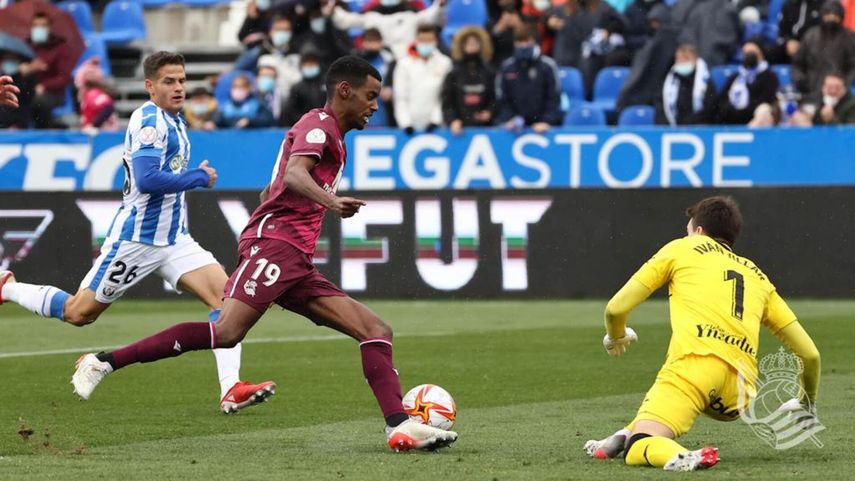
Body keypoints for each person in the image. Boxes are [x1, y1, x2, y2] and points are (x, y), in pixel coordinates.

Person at [69, 55, 459, 453]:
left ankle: (399, 426)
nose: (375, 105)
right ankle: (103, 362)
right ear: (345, 91)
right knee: (226, 332)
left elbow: (271, 189)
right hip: (275, 246)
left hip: (294, 257)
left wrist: (294, 209)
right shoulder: (319, 125)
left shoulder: (329, 134)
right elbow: (293, 175)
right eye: (370, 96)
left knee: (375, 330)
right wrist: (330, 202)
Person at [0, 51, 274, 414]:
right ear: (149, 86)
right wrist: (198, 177)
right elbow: (147, 179)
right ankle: (8, 287)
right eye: (168, 81)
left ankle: (230, 389)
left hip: (175, 239)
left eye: (181, 80)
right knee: (79, 312)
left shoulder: (175, 120)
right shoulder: (148, 121)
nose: (178, 88)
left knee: (226, 306)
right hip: (137, 240)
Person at [583, 196, 821, 471]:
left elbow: (615, 309)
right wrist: (807, 402)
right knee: (653, 415)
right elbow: (810, 354)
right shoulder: (758, 277)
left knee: (641, 446)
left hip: (695, 368)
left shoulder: (683, 248)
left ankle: (679, 454)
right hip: (738, 395)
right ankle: (619, 436)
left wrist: (615, 335)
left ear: (698, 230)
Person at [495, 26, 563, 133]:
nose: (523, 45)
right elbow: (502, 98)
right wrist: (509, 119)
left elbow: (554, 97)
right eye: (519, 41)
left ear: (535, 42)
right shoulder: (507, 67)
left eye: (527, 41)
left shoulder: (547, 66)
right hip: (514, 125)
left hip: (542, 125)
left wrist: (547, 121)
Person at [330, 0, 446, 58]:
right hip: (381, 61)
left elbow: (432, 16)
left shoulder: (412, 14)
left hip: (407, 58)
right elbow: (346, 20)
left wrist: (439, 5)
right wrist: (332, 10)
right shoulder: (372, 15)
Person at [393, 24, 452, 133]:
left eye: (429, 40)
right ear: (416, 41)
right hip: (410, 126)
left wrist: (435, 120)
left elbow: (444, 96)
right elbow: (400, 97)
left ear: (436, 41)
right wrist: (405, 123)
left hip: (437, 126)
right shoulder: (404, 64)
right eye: (422, 40)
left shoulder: (445, 63)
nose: (425, 43)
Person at [791, 0, 855, 99]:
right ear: (822, 15)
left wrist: (843, 85)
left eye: (835, 14)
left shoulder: (850, 38)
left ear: (841, 17)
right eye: (828, 14)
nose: (832, 17)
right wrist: (800, 80)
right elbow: (797, 64)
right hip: (811, 92)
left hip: (839, 96)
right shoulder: (811, 36)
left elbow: (853, 67)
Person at [441, 26, 497, 135]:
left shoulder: (489, 73)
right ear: (462, 46)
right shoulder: (453, 74)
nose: (472, 46)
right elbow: (447, 102)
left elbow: (495, 97)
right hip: (460, 129)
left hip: (485, 129)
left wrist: (490, 113)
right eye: (468, 43)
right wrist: (452, 120)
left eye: (475, 43)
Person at [25, 12, 75, 129]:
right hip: (28, 90)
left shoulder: (60, 47)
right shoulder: (26, 46)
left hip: (53, 94)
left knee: (38, 100)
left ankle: (42, 132)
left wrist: (44, 85)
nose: (39, 29)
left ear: (49, 28)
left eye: (43, 26)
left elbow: (64, 78)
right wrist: (29, 69)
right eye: (36, 25)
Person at [716, 40, 779, 125]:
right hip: (733, 117)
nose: (749, 56)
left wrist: (744, 112)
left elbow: (766, 99)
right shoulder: (735, 77)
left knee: (764, 109)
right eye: (746, 53)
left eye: (753, 52)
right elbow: (723, 100)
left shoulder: (769, 76)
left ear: (761, 54)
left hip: (755, 119)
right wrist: (733, 112)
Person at [654, 44, 717, 126]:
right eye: (678, 59)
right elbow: (660, 109)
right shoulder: (667, 82)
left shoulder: (705, 83)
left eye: (686, 58)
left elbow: (710, 110)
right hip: (671, 129)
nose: (681, 62)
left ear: (695, 60)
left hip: (699, 128)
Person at [281, 50, 327, 126]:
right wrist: (309, 120)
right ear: (301, 66)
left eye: (312, 63)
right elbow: (291, 112)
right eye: (307, 64)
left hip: (326, 124)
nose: (309, 66)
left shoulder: (327, 85)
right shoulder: (296, 88)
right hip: (303, 127)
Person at [75, 57, 119, 132]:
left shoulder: (93, 94)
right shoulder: (89, 94)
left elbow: (108, 108)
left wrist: (93, 126)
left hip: (103, 135)